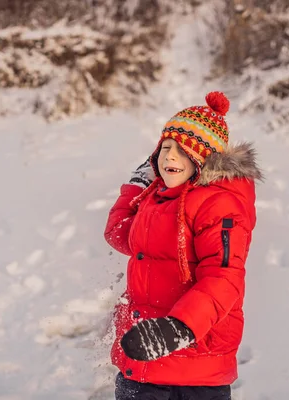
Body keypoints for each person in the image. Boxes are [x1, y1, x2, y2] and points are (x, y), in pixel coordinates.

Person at [104, 91, 262, 399]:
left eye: (182, 149)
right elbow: (120, 233)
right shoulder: (156, 196)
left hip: (194, 368)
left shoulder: (219, 205)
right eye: (165, 148)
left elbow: (224, 279)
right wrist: (136, 185)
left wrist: (179, 328)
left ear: (205, 158)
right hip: (143, 358)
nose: (169, 157)